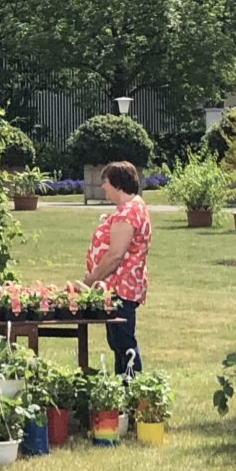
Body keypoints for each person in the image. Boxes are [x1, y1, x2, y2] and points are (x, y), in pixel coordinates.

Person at [83, 161, 152, 375]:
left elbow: (115, 255)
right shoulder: (130, 208)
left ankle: (135, 393)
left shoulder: (128, 212)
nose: (103, 187)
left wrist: (91, 279)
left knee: (124, 344)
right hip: (118, 288)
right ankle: (122, 393)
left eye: (105, 182)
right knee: (118, 343)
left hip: (120, 289)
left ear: (117, 184)